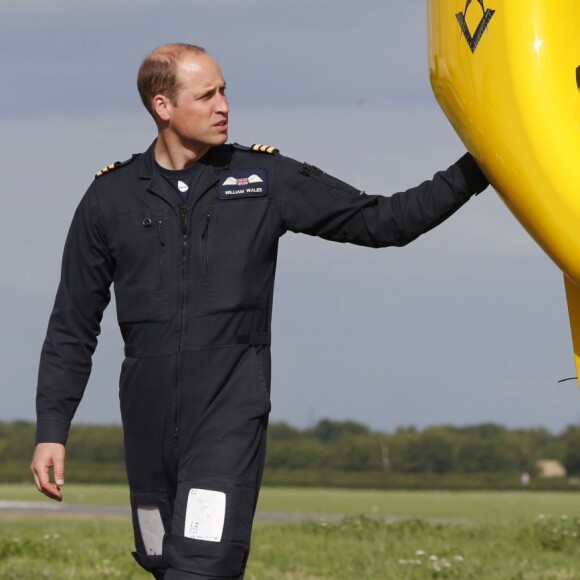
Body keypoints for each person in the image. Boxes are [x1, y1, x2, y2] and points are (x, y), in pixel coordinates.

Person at [30, 43, 489, 579]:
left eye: (224, 91)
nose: (223, 105)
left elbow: (385, 222)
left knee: (202, 567)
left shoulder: (264, 180)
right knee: (162, 561)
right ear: (163, 107)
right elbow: (72, 325)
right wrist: (52, 428)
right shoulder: (109, 198)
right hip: (147, 424)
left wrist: (481, 163)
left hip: (227, 416)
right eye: (207, 95)